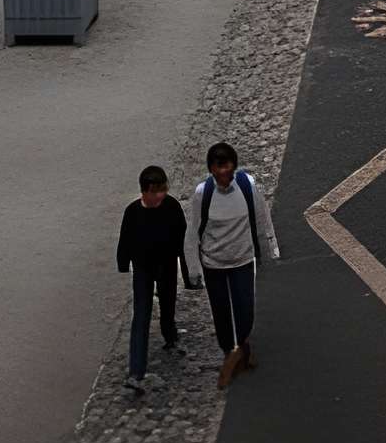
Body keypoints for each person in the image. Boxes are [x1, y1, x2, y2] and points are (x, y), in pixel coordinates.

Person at [189, 140, 279, 390]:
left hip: (241, 260)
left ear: (234, 165)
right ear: (211, 168)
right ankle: (232, 353)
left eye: (227, 165)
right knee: (220, 313)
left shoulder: (247, 187)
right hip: (213, 263)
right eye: (218, 166)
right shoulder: (202, 194)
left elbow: (261, 220)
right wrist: (193, 269)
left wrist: (269, 252)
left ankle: (240, 348)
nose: (223, 172)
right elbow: (193, 232)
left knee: (245, 310)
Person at [117, 164, 191, 396]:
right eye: (156, 190)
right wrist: (122, 264)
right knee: (141, 315)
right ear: (145, 192)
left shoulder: (172, 207)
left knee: (168, 305)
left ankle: (171, 337)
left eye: (163, 189)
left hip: (167, 266)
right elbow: (125, 240)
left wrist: (188, 274)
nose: (161, 194)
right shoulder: (132, 212)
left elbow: (183, 241)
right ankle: (136, 372)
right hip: (143, 270)